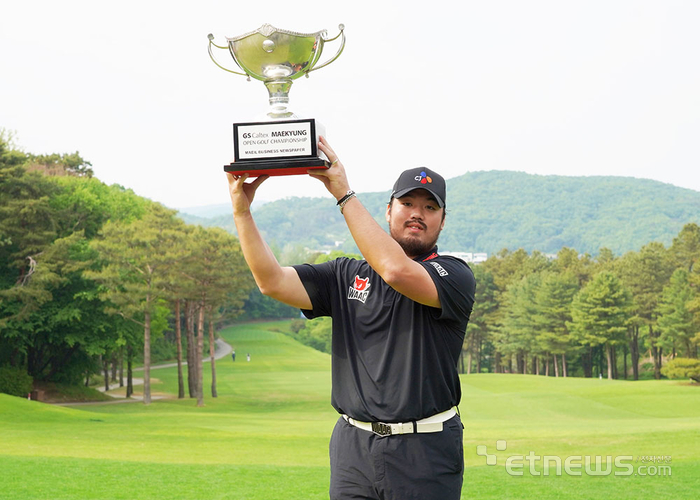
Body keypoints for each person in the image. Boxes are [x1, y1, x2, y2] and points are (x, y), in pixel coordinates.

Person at [226, 136, 476, 500]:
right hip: (352, 448)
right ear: (388, 211)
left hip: (425, 450)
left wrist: (343, 194)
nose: (417, 213)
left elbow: (395, 270)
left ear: (442, 221)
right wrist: (242, 213)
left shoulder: (454, 274)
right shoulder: (345, 275)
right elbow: (272, 282)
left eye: (429, 207)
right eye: (406, 203)